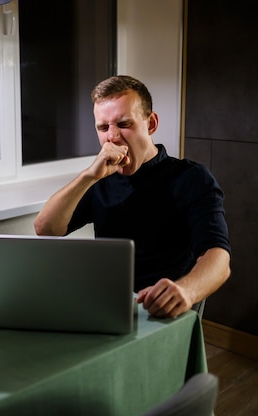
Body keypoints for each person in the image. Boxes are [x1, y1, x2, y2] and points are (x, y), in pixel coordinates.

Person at [34, 75, 231, 319]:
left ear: (151, 124)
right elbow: (45, 228)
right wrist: (88, 176)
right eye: (103, 128)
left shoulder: (191, 177)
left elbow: (218, 258)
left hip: (159, 309)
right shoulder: (100, 178)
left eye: (124, 124)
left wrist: (187, 291)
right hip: (106, 303)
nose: (112, 137)